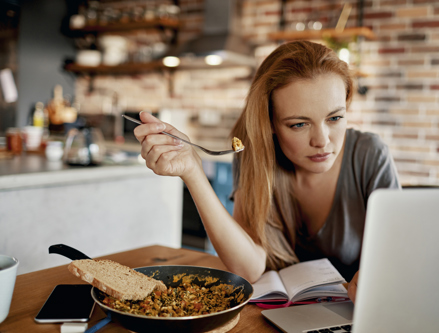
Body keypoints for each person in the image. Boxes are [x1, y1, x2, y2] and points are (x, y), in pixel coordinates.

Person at [133, 40, 400, 303]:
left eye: (335, 118)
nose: (322, 140)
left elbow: (404, 257)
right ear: (270, 122)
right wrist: (192, 172)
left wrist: (382, 275)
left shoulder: (368, 155)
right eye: (299, 124)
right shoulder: (254, 154)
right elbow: (247, 269)